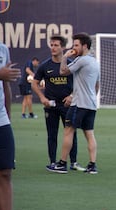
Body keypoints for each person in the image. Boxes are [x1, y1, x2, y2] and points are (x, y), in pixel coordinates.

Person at [0, 7, 32, 210]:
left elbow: (6, 86)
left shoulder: (1, 49)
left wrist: (7, 116)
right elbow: (0, 77)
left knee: (4, 172)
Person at [31, 35, 85, 172]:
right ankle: (53, 162)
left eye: (56, 45)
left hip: (68, 105)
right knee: (52, 134)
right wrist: (42, 98)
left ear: (63, 47)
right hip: (51, 106)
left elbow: (80, 83)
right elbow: (34, 83)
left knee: (72, 133)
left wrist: (72, 96)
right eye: (52, 45)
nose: (53, 48)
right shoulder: (45, 65)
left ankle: (74, 162)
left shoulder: (72, 63)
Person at [50, 32, 100, 174]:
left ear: (85, 46)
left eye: (76, 45)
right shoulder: (95, 62)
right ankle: (92, 165)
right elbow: (97, 86)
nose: (73, 47)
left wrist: (65, 57)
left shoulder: (81, 60)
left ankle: (62, 163)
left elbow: (62, 71)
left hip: (79, 104)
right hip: (91, 105)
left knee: (68, 132)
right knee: (89, 134)